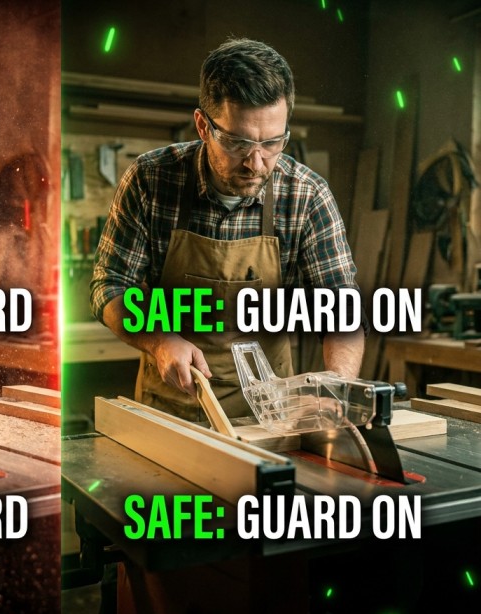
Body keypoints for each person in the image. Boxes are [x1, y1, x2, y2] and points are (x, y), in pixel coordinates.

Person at [90, 38, 365, 421]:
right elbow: (110, 284)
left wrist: (336, 386)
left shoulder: (307, 195)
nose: (256, 163)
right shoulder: (151, 179)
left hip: (270, 416)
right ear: (203, 125)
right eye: (238, 143)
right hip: (171, 411)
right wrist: (160, 340)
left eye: (273, 143)